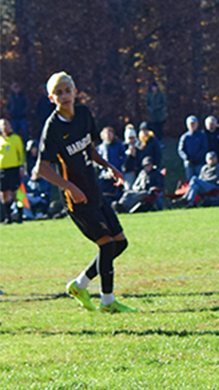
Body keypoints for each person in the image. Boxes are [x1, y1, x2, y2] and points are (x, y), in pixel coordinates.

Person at [33, 71, 135, 313]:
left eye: (67, 90)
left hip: (94, 189)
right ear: (51, 98)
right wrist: (69, 187)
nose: (64, 95)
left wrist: (109, 167)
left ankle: (80, 285)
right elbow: (41, 169)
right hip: (76, 199)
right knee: (107, 244)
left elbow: (90, 149)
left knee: (120, 243)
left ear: (75, 92)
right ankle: (108, 302)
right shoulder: (53, 128)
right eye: (58, 92)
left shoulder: (85, 114)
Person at [0, 118, 26, 224]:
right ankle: (7, 217)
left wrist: (21, 167)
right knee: (4, 193)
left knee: (16, 192)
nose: (5, 127)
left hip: (14, 169)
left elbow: (21, 153)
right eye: (2, 125)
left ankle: (20, 215)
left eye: (6, 125)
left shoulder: (16, 138)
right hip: (2, 169)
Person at [178, 115, 209, 181]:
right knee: (190, 180)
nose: (192, 125)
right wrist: (186, 157)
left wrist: (197, 157)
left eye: (194, 124)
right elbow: (181, 150)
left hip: (199, 162)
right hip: (189, 163)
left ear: (197, 124)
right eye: (191, 124)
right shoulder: (185, 136)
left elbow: (204, 147)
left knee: (200, 179)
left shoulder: (202, 135)